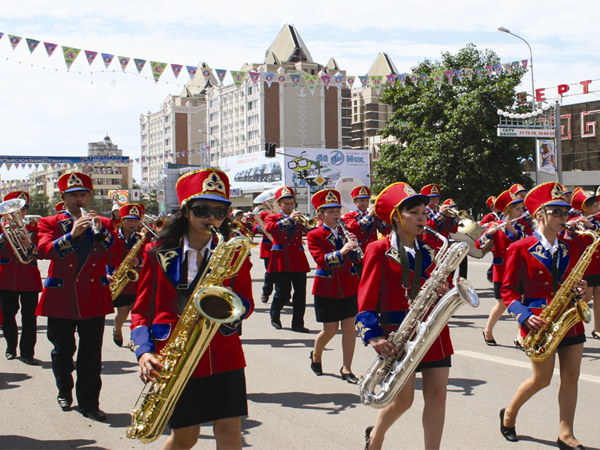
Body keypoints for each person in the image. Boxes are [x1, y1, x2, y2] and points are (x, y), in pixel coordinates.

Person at [130, 168, 254, 450]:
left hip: (223, 352)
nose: (211, 218)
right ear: (186, 211)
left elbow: (245, 301)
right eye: (202, 209)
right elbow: (141, 310)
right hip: (174, 355)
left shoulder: (233, 253)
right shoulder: (157, 252)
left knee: (230, 431)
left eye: (220, 212)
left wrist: (230, 312)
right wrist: (144, 350)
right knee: (186, 436)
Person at [356, 182, 452, 450]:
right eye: (414, 212)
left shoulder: (433, 248)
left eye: (424, 211)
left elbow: (449, 285)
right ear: (396, 217)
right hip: (397, 331)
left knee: (437, 397)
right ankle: (376, 435)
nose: (423, 217)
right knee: (403, 400)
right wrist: (373, 336)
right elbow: (365, 298)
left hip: (434, 329)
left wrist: (448, 289)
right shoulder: (378, 249)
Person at [500, 182, 588, 450]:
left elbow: (574, 279)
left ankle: (566, 434)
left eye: (565, 213)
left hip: (568, 316)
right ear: (540, 214)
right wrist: (523, 315)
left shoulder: (569, 246)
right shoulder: (520, 247)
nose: (564, 218)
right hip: (539, 319)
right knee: (542, 379)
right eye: (558, 213)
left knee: (571, 377)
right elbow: (508, 291)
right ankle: (509, 414)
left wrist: (581, 289)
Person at [36, 172, 124, 420]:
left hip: (93, 295)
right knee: (63, 351)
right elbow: (43, 252)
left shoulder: (104, 223)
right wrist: (71, 235)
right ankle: (65, 391)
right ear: (63, 197)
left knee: (91, 355)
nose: (79, 199)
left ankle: (89, 404)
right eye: (73, 195)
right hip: (61, 296)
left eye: (83, 194)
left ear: (89, 196)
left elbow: (118, 255)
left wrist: (103, 234)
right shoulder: (49, 222)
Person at [306, 189, 360, 383]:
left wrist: (354, 247)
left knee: (349, 328)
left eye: (337, 210)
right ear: (320, 214)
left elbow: (355, 258)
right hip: (327, 287)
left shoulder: (347, 232)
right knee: (329, 330)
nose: (336, 214)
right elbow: (320, 260)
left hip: (349, 284)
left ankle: (347, 368)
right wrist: (342, 251)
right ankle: (316, 355)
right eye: (330, 211)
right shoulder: (314, 234)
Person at [477, 190, 531, 346]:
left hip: (519, 270)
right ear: (508, 211)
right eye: (518, 209)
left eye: (522, 208)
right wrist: (489, 234)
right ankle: (487, 330)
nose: (522, 211)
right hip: (501, 272)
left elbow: (532, 240)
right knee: (502, 304)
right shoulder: (495, 225)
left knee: (520, 302)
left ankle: (520, 336)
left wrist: (516, 232)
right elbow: (478, 245)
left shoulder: (523, 225)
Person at [0, 191, 42, 365]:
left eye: (22, 209)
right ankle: (11, 347)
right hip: (6, 278)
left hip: (29, 278)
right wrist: (4, 235)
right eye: (14, 210)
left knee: (29, 317)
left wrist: (30, 245)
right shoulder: (1, 230)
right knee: (8, 315)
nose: (19, 213)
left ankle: (27, 352)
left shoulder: (34, 230)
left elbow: (43, 252)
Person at [264, 187, 310, 332]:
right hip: (281, 258)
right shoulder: (273, 217)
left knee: (300, 293)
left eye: (292, 203)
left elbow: (310, 230)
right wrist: (290, 219)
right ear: (279, 204)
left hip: (298, 258)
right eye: (287, 203)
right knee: (282, 292)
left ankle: (298, 323)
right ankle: (275, 316)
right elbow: (271, 229)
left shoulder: (298, 218)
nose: (290, 206)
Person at [107, 203, 146, 348]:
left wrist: (140, 261)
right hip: (120, 277)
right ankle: (117, 329)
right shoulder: (113, 237)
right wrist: (107, 273)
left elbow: (148, 255)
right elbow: (106, 256)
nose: (133, 223)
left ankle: (133, 338)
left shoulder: (141, 238)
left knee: (136, 310)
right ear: (122, 221)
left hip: (137, 279)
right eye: (129, 220)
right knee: (123, 311)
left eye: (135, 221)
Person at [567, 188, 600, 340]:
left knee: (599, 295)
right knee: (585, 298)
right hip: (585, 264)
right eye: (594, 207)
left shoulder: (597, 221)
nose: (597, 209)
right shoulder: (575, 222)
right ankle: (571, 325)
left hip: (598, 263)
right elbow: (567, 238)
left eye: (597, 206)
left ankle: (598, 328)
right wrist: (575, 226)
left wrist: (592, 225)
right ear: (585, 208)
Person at [343, 185, 389, 277]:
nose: (365, 203)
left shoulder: (373, 215)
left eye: (367, 200)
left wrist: (380, 217)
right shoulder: (350, 215)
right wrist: (370, 215)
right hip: (358, 254)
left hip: (373, 252)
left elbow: (385, 231)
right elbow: (354, 227)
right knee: (361, 279)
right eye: (362, 200)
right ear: (355, 202)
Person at [252, 209, 275, 303]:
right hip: (269, 247)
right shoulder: (264, 214)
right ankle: (266, 292)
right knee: (270, 273)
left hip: (285, 247)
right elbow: (254, 228)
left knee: (285, 274)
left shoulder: (288, 214)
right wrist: (262, 227)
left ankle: (285, 297)